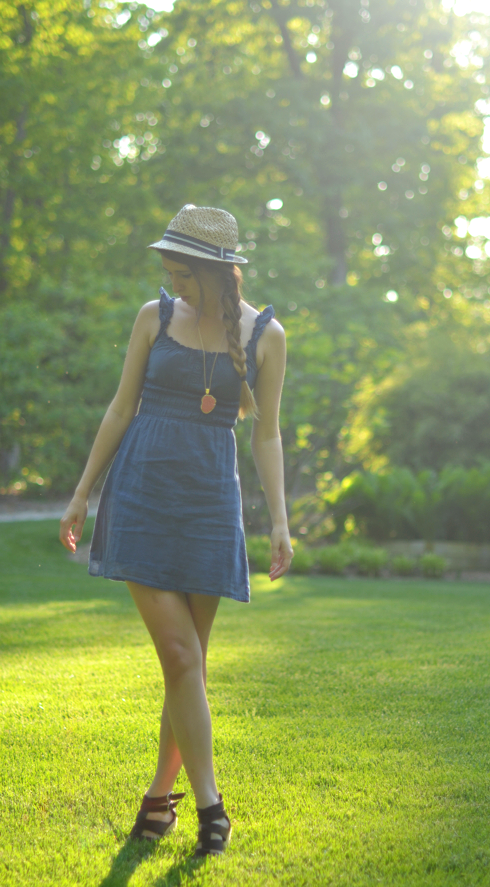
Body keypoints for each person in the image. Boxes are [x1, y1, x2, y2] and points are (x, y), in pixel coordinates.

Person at [59, 205, 293, 858]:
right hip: (141, 496)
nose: (173, 284)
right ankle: (211, 804)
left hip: (210, 505)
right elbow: (120, 407)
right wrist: (81, 494)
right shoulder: (153, 318)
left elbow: (267, 433)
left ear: (217, 271)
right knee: (182, 657)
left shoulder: (265, 336)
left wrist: (279, 520)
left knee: (187, 664)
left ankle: (158, 799)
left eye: (182, 274)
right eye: (169, 273)